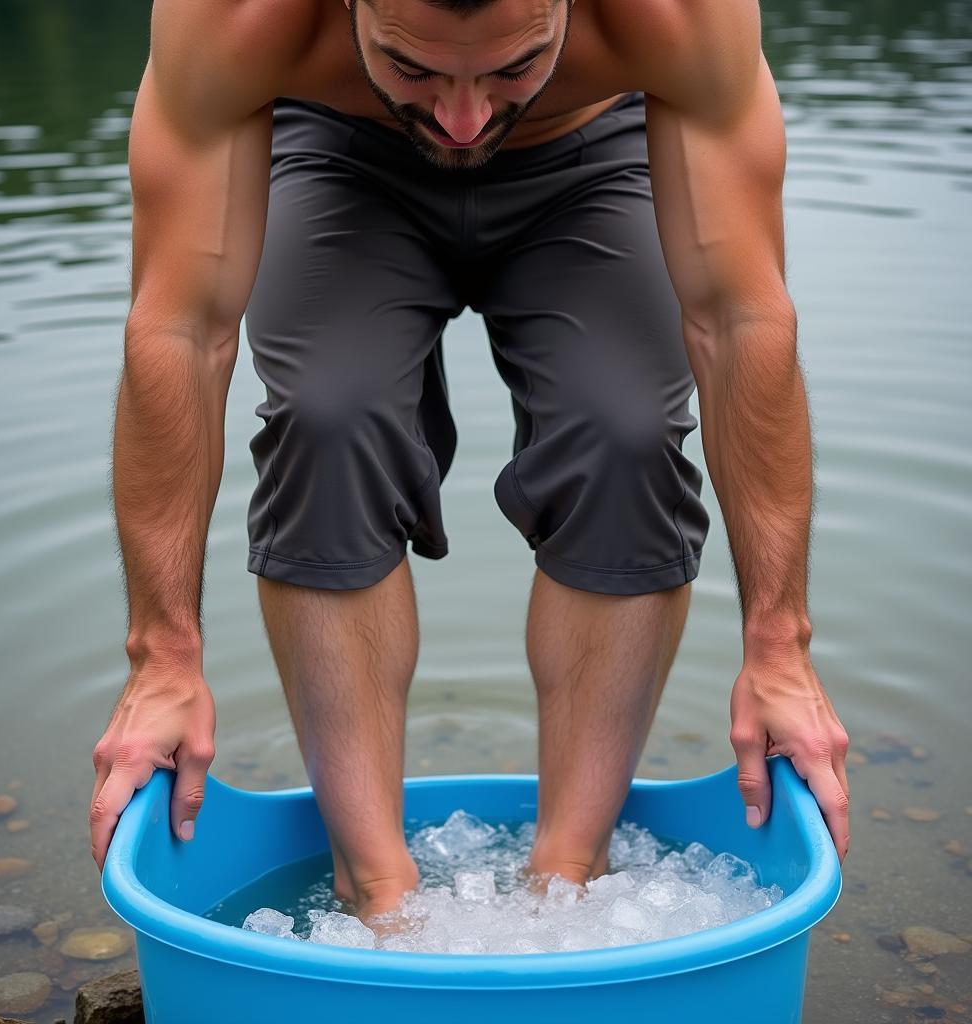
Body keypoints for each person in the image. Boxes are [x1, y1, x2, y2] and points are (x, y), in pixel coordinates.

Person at [89, 0, 851, 926]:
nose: (464, 116)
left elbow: (740, 323)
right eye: (415, 69)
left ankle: (572, 886)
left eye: (512, 66)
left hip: (591, 148)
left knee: (624, 431)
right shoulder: (233, 19)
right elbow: (182, 328)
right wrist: (161, 658)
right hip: (337, 148)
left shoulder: (680, 15)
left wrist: (779, 647)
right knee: (329, 418)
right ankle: (375, 901)